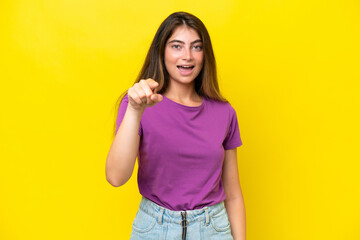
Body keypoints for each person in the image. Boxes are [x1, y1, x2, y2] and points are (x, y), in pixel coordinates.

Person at [105, 11, 246, 240]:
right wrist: (134, 110)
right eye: (177, 46)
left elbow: (233, 194)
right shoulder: (138, 104)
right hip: (154, 229)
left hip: (213, 230)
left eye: (196, 47)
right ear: (161, 52)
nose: (187, 56)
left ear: (205, 54)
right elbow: (116, 177)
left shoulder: (224, 112)